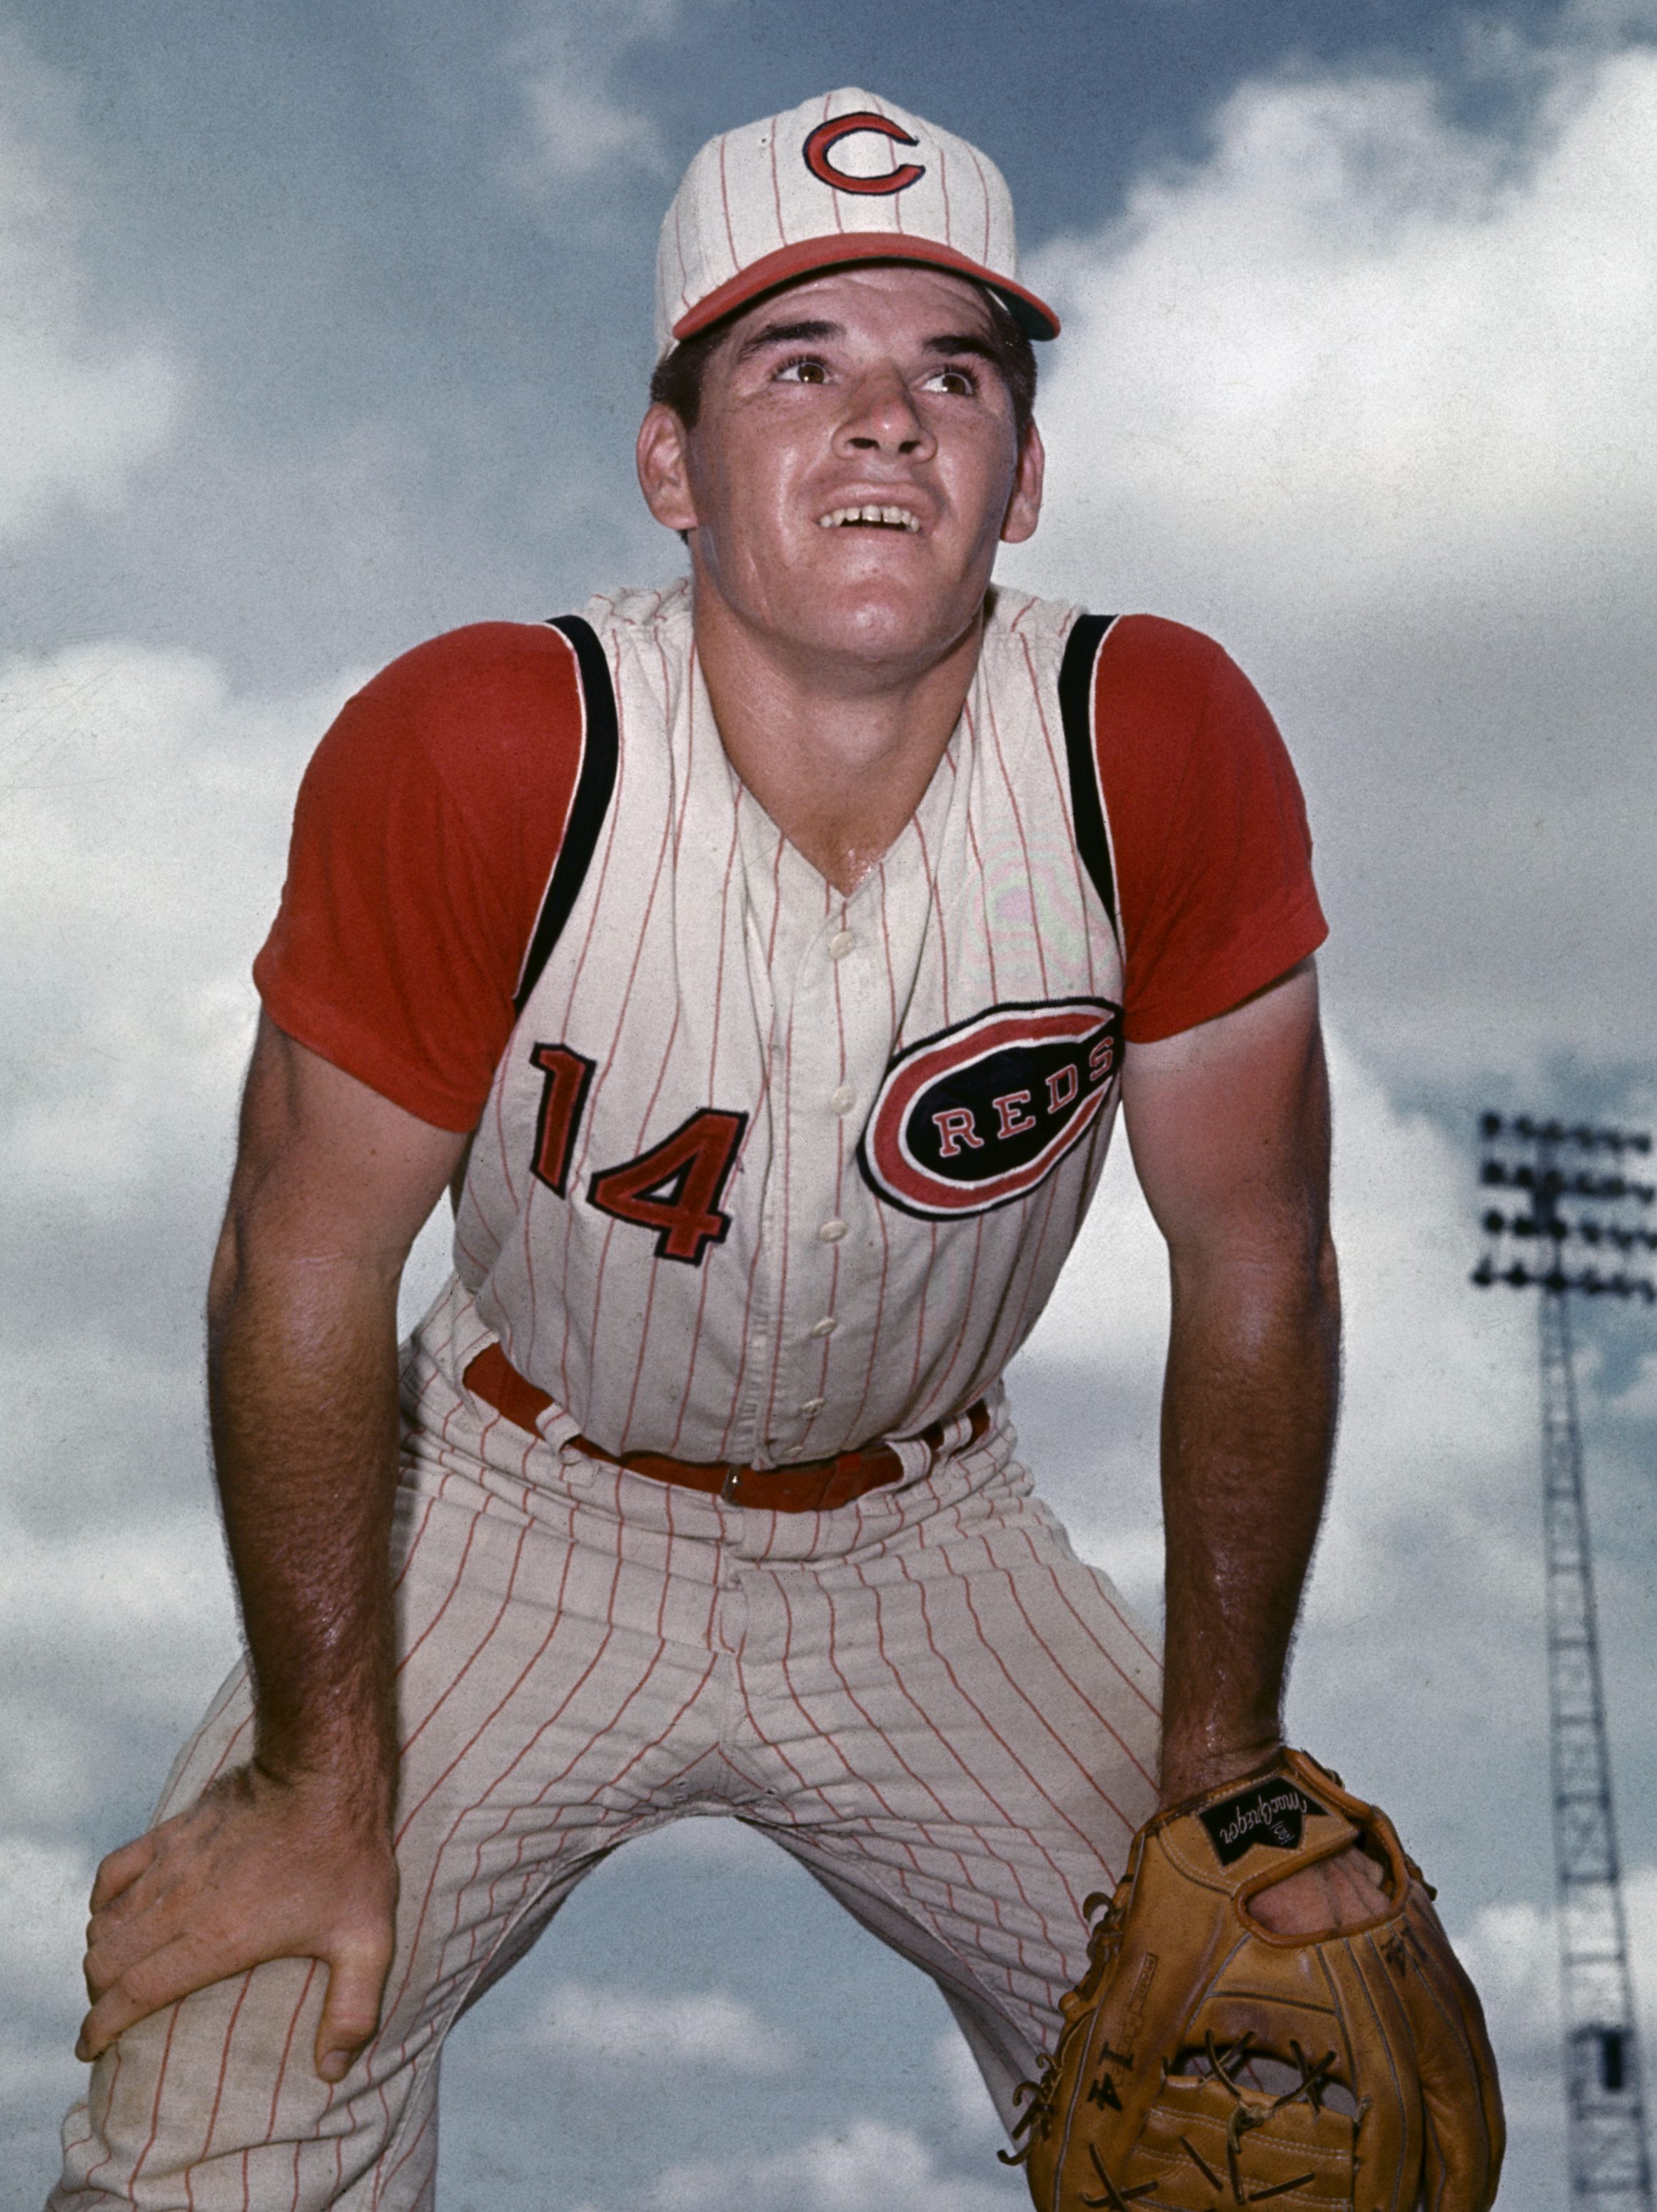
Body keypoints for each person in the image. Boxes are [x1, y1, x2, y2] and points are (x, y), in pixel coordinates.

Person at [54, 87, 1384, 2211]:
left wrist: (1219, 1765)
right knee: (221, 2080)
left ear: (1024, 475)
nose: (887, 422)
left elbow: (1258, 1264)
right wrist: (317, 1779)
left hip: (926, 1550)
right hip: (503, 1512)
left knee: (1292, 2094)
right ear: (669, 464)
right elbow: (298, 1266)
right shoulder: (491, 741)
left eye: (954, 374)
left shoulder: (1151, 740)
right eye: (798, 364)